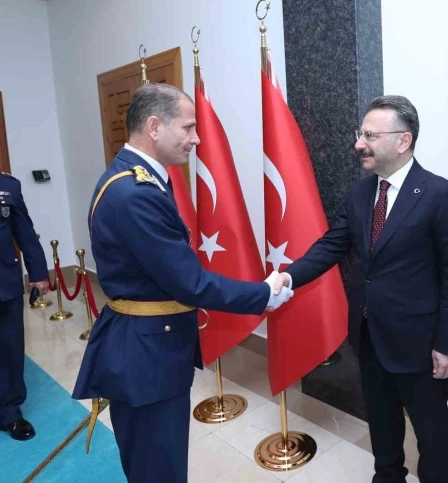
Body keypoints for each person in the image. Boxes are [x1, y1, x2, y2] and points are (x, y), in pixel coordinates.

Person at [71, 83, 293, 482]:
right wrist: (264, 293)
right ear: (155, 126)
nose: (196, 138)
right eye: (188, 128)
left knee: (158, 462)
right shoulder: (135, 193)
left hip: (146, 345)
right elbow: (191, 283)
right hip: (147, 358)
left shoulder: (136, 179)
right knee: (158, 468)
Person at [270, 95, 448, 483]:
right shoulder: (360, 193)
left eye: (369, 135)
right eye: (359, 134)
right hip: (368, 337)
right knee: (382, 427)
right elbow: (332, 245)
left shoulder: (440, 195)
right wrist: (289, 276)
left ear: (403, 140)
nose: (358, 144)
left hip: (419, 345)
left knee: (431, 435)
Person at [0, 173, 49, 441]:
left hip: (4, 283)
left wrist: (38, 273)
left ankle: (10, 411)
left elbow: (24, 232)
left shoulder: (8, 186)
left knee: (10, 348)